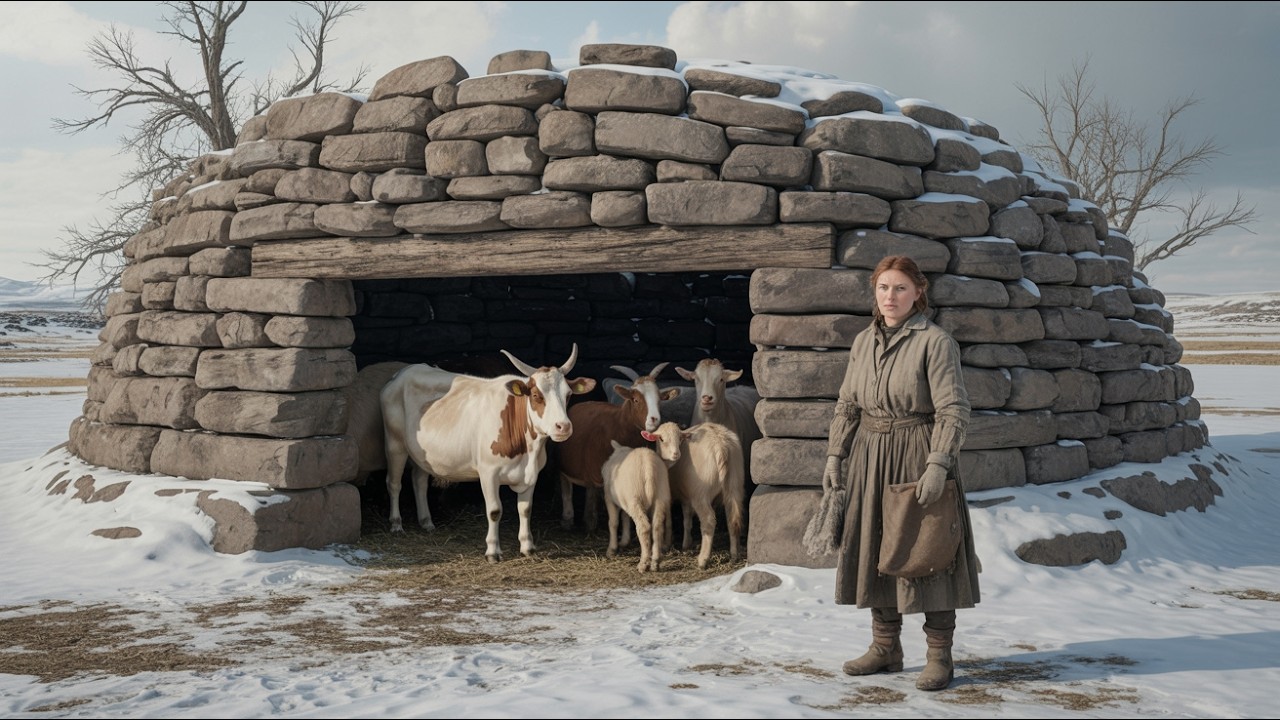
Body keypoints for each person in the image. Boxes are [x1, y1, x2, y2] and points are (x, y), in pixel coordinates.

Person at [808, 254, 980, 691]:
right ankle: (885, 647)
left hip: (916, 454)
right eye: (884, 287)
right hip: (870, 456)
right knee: (875, 550)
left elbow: (953, 409)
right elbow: (848, 403)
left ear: (918, 292)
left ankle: (940, 656)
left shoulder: (935, 342)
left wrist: (939, 463)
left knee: (928, 552)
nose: (891, 296)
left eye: (900, 288)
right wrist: (835, 456)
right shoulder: (865, 341)